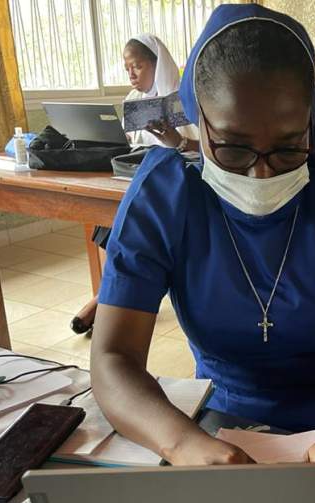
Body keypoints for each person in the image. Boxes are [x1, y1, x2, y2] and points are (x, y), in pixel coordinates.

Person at [90, 4, 315, 465]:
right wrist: (183, 444)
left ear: (309, 128)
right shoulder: (166, 200)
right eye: (233, 148)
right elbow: (113, 357)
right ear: (199, 122)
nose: (260, 173)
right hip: (214, 427)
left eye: (287, 148)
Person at [70, 33, 197, 335]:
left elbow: (207, 149)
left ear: (158, 64)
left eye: (137, 67)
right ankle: (109, 294)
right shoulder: (132, 102)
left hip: (178, 181)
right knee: (110, 221)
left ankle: (108, 299)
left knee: (133, 218)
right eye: (127, 68)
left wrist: (176, 141)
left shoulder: (185, 100)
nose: (131, 74)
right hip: (136, 176)